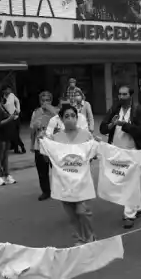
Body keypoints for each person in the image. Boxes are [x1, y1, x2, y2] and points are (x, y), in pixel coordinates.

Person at [99, 86, 141, 229]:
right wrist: (112, 124)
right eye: (120, 94)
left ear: (130, 95)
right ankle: (137, 206)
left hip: (133, 151)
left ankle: (129, 214)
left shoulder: (139, 110)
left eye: (125, 94)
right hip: (116, 151)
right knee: (131, 181)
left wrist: (125, 125)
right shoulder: (114, 109)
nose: (122, 97)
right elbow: (103, 128)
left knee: (130, 182)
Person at [48, 104, 97, 244]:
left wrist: (97, 144)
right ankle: (79, 238)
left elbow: (92, 156)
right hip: (64, 183)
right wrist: (42, 140)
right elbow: (48, 156)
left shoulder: (86, 135)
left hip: (82, 181)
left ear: (77, 117)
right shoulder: (55, 138)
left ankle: (90, 236)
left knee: (83, 211)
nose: (70, 119)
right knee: (72, 214)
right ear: (61, 119)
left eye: (73, 116)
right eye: (67, 116)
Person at [29, 91, 58, 201]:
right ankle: (46, 191)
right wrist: (32, 144)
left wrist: (52, 111)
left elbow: (62, 125)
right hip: (39, 145)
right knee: (42, 170)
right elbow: (32, 130)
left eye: (47, 100)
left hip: (53, 145)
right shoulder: (36, 113)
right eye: (43, 100)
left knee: (56, 169)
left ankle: (59, 190)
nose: (45, 102)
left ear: (51, 101)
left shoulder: (56, 112)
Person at [2, 85, 26, 154]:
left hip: (16, 117)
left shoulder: (12, 95)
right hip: (9, 119)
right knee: (14, 134)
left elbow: (17, 101)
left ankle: (16, 149)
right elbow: (1, 107)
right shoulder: (1, 97)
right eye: (7, 90)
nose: (9, 91)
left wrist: (18, 109)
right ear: (4, 91)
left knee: (16, 134)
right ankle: (21, 146)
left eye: (10, 90)